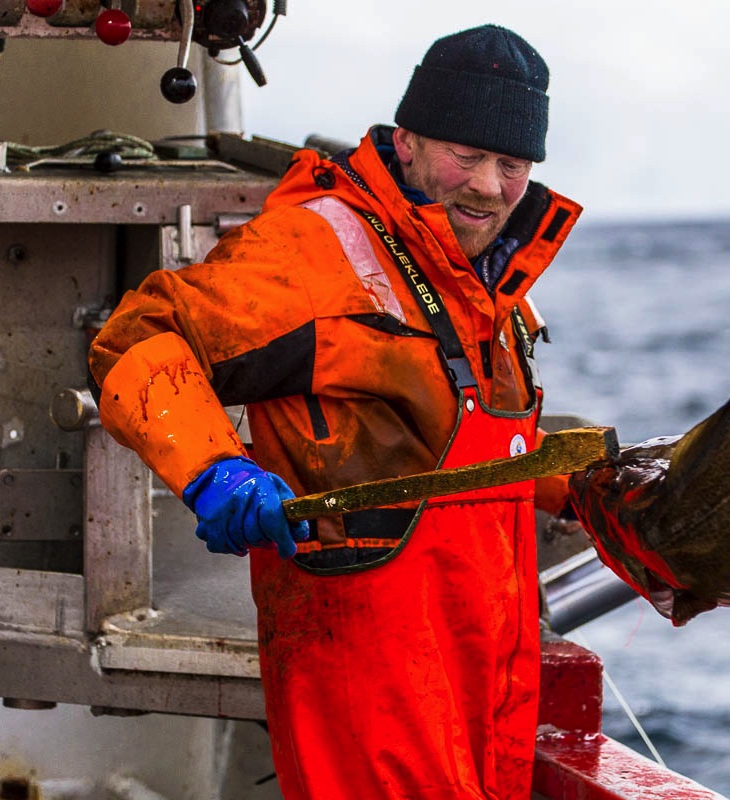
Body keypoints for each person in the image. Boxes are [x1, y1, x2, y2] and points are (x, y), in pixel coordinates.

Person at [89, 23, 581, 799]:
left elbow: (466, 444)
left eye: (511, 163)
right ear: (409, 139)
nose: (489, 184)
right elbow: (138, 338)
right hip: (366, 682)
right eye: (466, 154)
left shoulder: (490, 281)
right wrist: (216, 469)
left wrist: (592, 485)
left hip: (483, 683)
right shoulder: (317, 251)